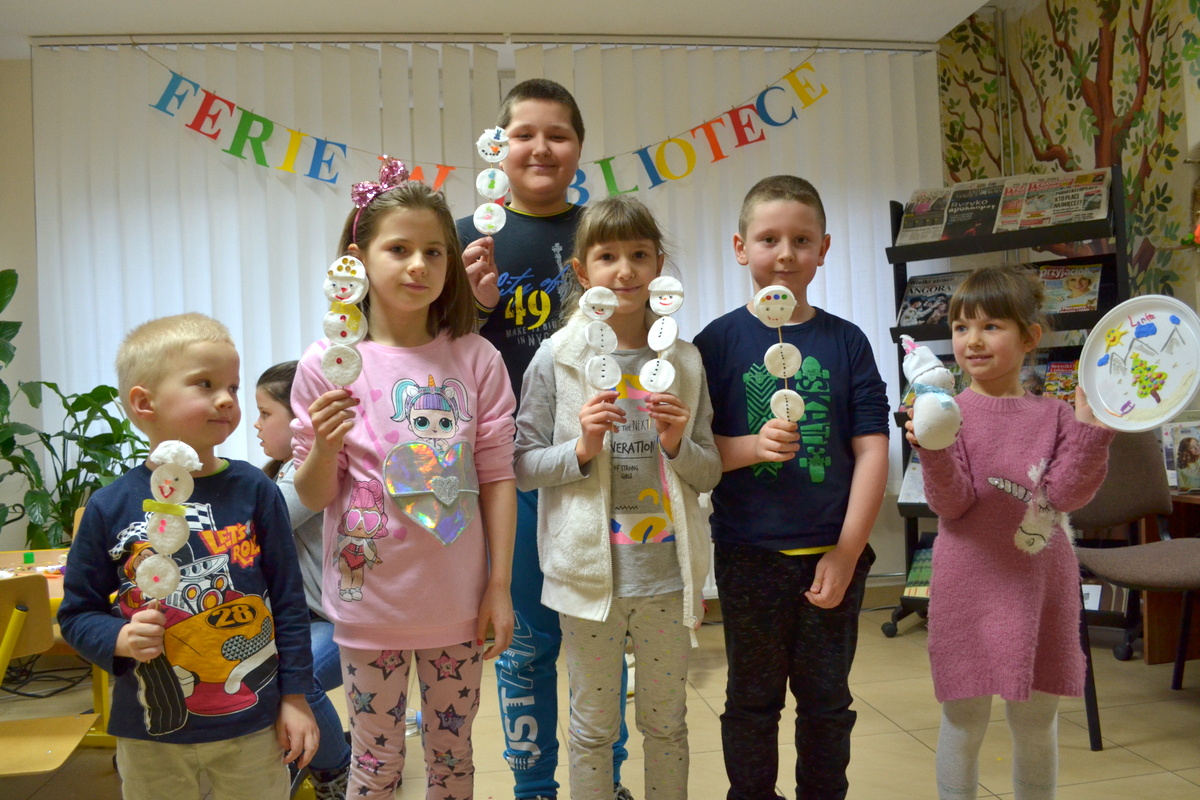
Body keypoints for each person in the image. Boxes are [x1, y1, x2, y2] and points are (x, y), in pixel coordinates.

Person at [291, 172, 517, 800]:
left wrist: (498, 586)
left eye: (434, 251)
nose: (419, 265)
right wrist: (325, 445)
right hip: (370, 607)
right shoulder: (327, 365)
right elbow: (314, 496)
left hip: (458, 605)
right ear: (358, 258)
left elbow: (497, 477)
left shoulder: (476, 358)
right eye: (399, 248)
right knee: (376, 764)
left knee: (453, 760)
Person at [456, 78, 632, 800]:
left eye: (557, 134)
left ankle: (605, 781)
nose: (540, 147)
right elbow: (430, 354)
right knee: (524, 643)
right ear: (496, 147)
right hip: (508, 473)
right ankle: (534, 787)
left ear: (579, 148)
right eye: (522, 134)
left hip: (598, 468)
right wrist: (475, 308)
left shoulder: (602, 232)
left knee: (602, 640)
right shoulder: (467, 236)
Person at [58, 313, 318, 800]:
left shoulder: (255, 490)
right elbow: (76, 613)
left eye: (232, 387)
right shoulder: (109, 506)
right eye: (205, 384)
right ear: (144, 403)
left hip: (253, 727)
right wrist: (118, 637)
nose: (227, 399)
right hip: (151, 732)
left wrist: (296, 697)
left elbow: (287, 601)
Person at [514, 195, 721, 800]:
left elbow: (708, 472)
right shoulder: (557, 357)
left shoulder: (684, 361)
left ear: (660, 267)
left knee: (667, 724)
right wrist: (581, 448)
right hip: (588, 582)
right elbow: (523, 466)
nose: (625, 270)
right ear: (582, 272)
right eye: (608, 257)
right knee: (592, 730)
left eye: (640, 255)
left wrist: (677, 443)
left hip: (667, 579)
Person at [694, 175, 889, 800]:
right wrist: (751, 447)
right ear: (740, 248)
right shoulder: (714, 344)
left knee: (827, 703)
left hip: (832, 552)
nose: (785, 253)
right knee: (752, 702)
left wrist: (848, 550)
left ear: (824, 249)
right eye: (769, 239)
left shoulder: (846, 341)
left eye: (802, 240)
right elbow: (694, 454)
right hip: (749, 555)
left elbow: (872, 448)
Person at [905, 265, 1114, 800]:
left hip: (1040, 583)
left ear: (1029, 337)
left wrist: (1092, 435)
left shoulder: (1056, 416)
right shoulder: (947, 412)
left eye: (991, 326)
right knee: (963, 719)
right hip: (968, 583)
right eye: (961, 327)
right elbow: (952, 504)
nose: (972, 340)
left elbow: (1066, 494)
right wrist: (933, 448)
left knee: (1036, 721)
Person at [256, 360, 352, 799]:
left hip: (334, 622)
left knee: (296, 677)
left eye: (265, 413)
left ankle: (336, 773)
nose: (257, 425)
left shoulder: (305, 475)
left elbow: (255, 526)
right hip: (300, 621)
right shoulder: (276, 474)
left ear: (301, 419)